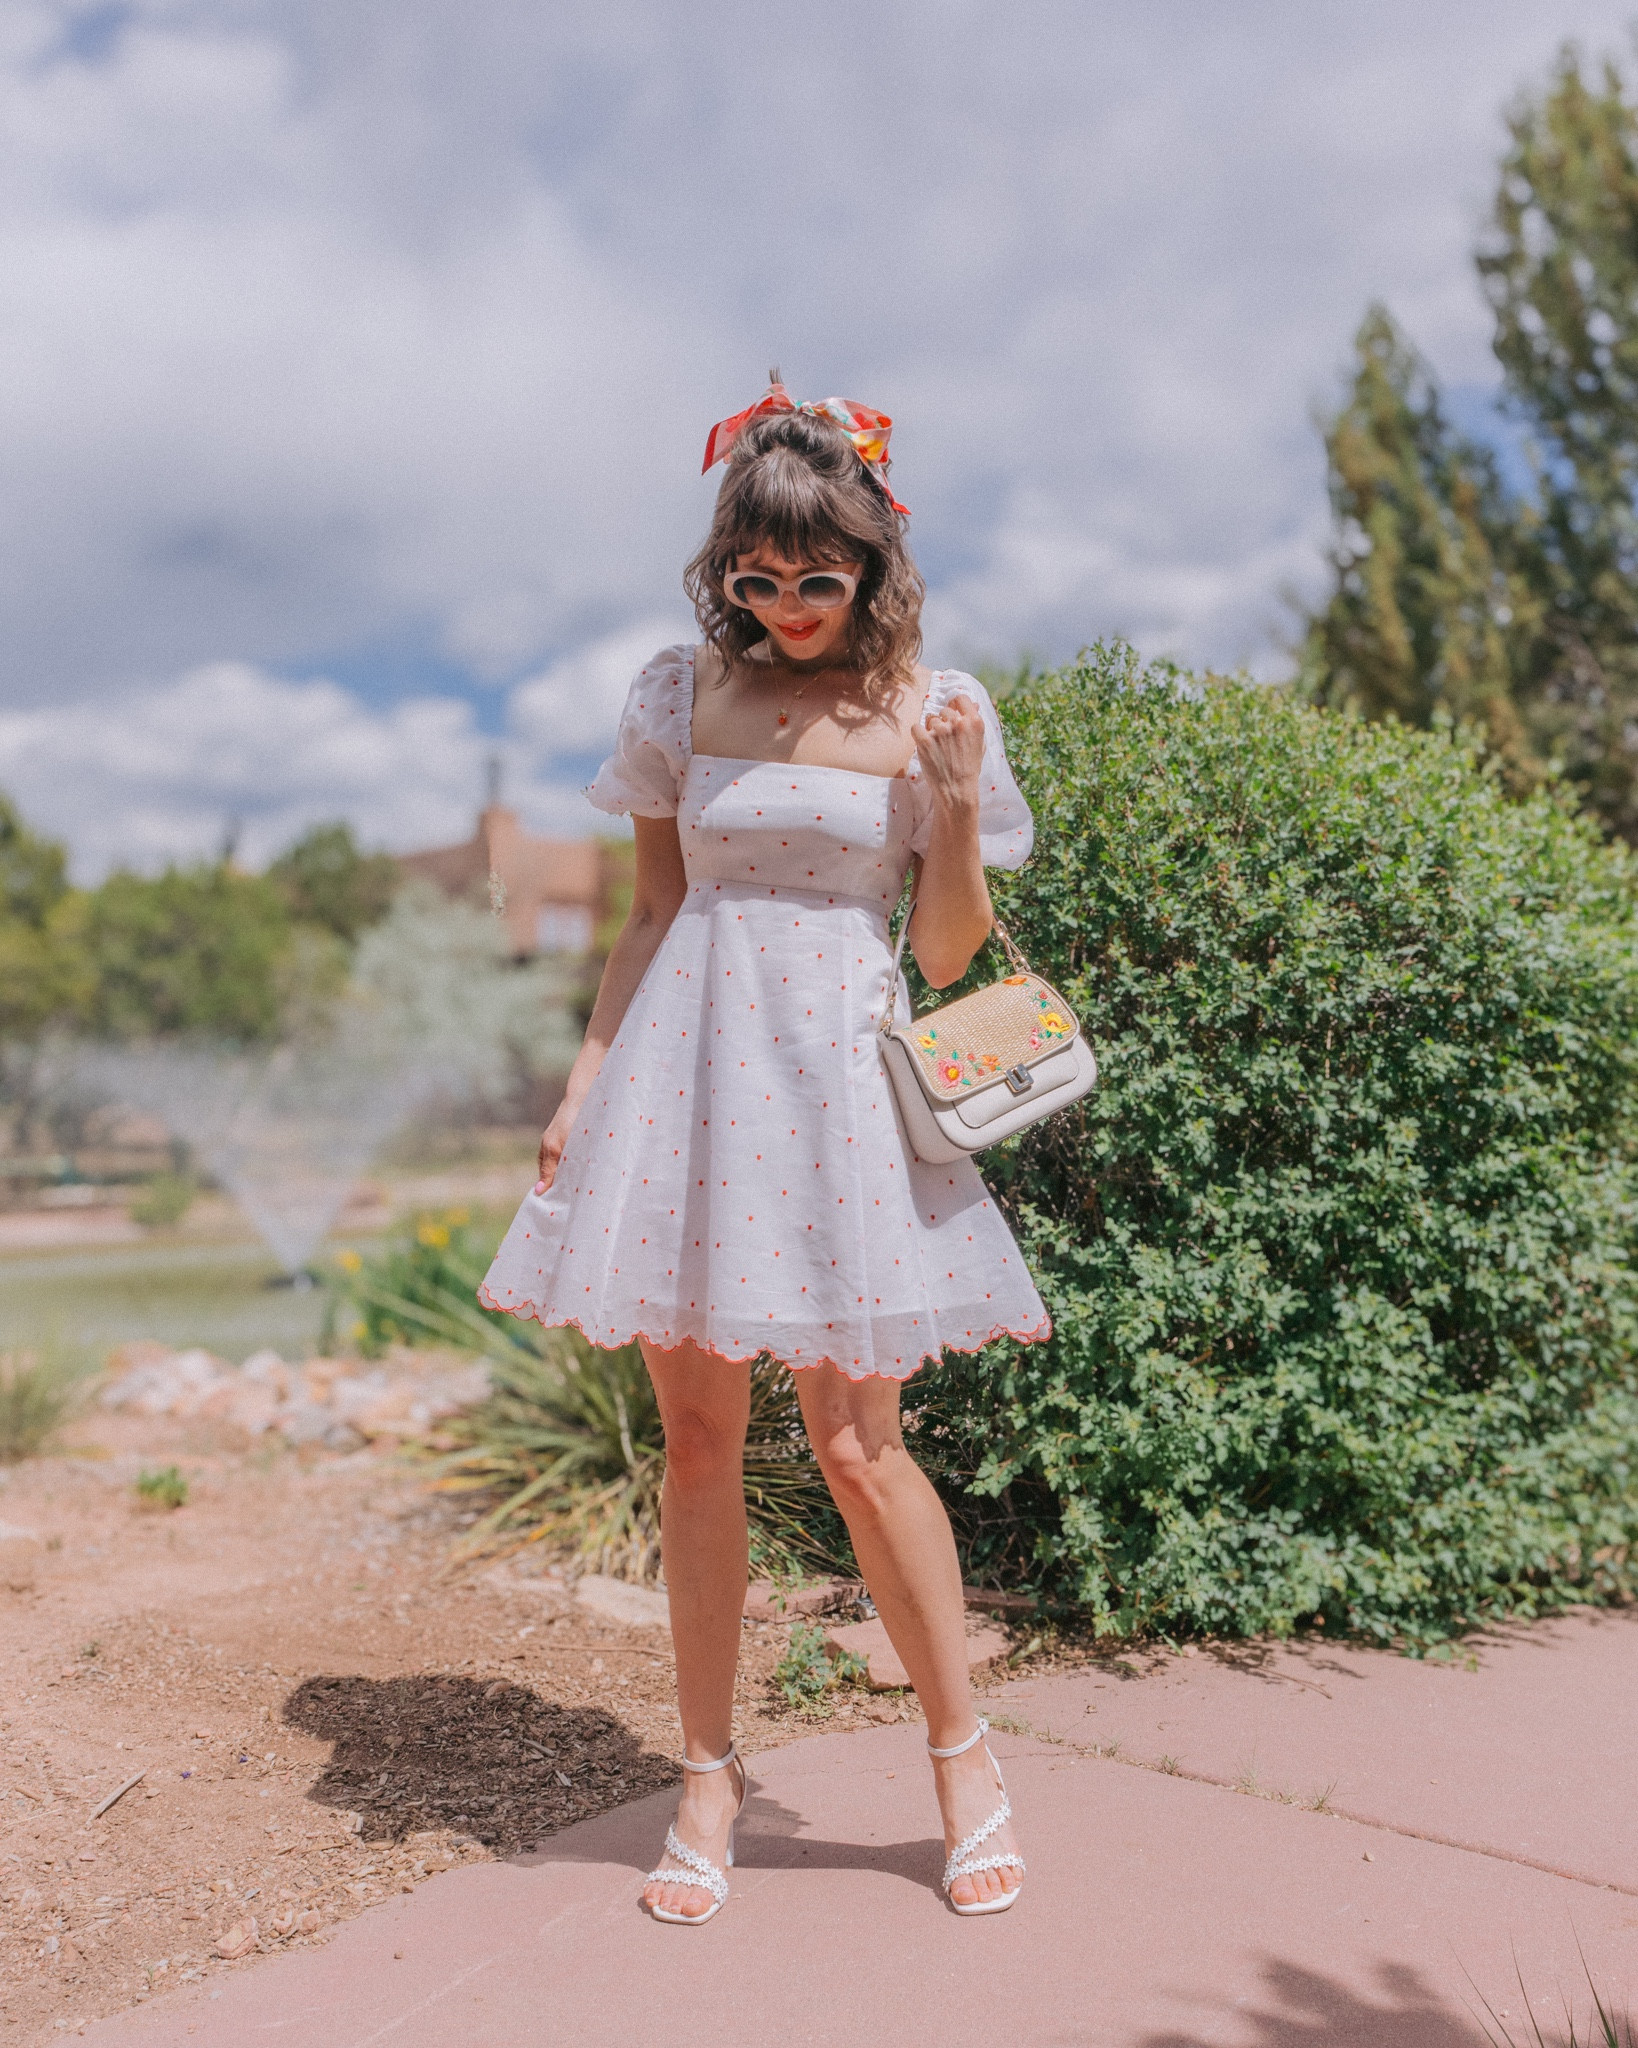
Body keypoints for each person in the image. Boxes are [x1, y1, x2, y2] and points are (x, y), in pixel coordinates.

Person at [480, 374, 1051, 1922]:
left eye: (816, 577)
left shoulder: (938, 711)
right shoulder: (678, 695)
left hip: (836, 1089)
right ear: (721, 568)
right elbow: (653, 911)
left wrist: (944, 811)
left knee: (863, 1451)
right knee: (700, 1443)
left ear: (871, 565)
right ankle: (707, 1778)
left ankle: (962, 1762)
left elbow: (944, 956)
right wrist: (587, 1080)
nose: (785, 604)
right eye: (756, 575)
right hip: (686, 1073)